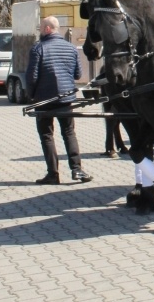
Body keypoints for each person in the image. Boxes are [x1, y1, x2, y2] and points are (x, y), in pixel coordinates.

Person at [27, 16, 93, 184]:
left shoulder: (38, 48)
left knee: (47, 135)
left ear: (48, 29)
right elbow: (78, 74)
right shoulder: (71, 48)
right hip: (66, 98)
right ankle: (77, 170)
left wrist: (31, 96)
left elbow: (32, 77)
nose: (40, 30)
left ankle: (53, 174)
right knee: (69, 133)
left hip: (44, 100)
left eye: (41, 27)